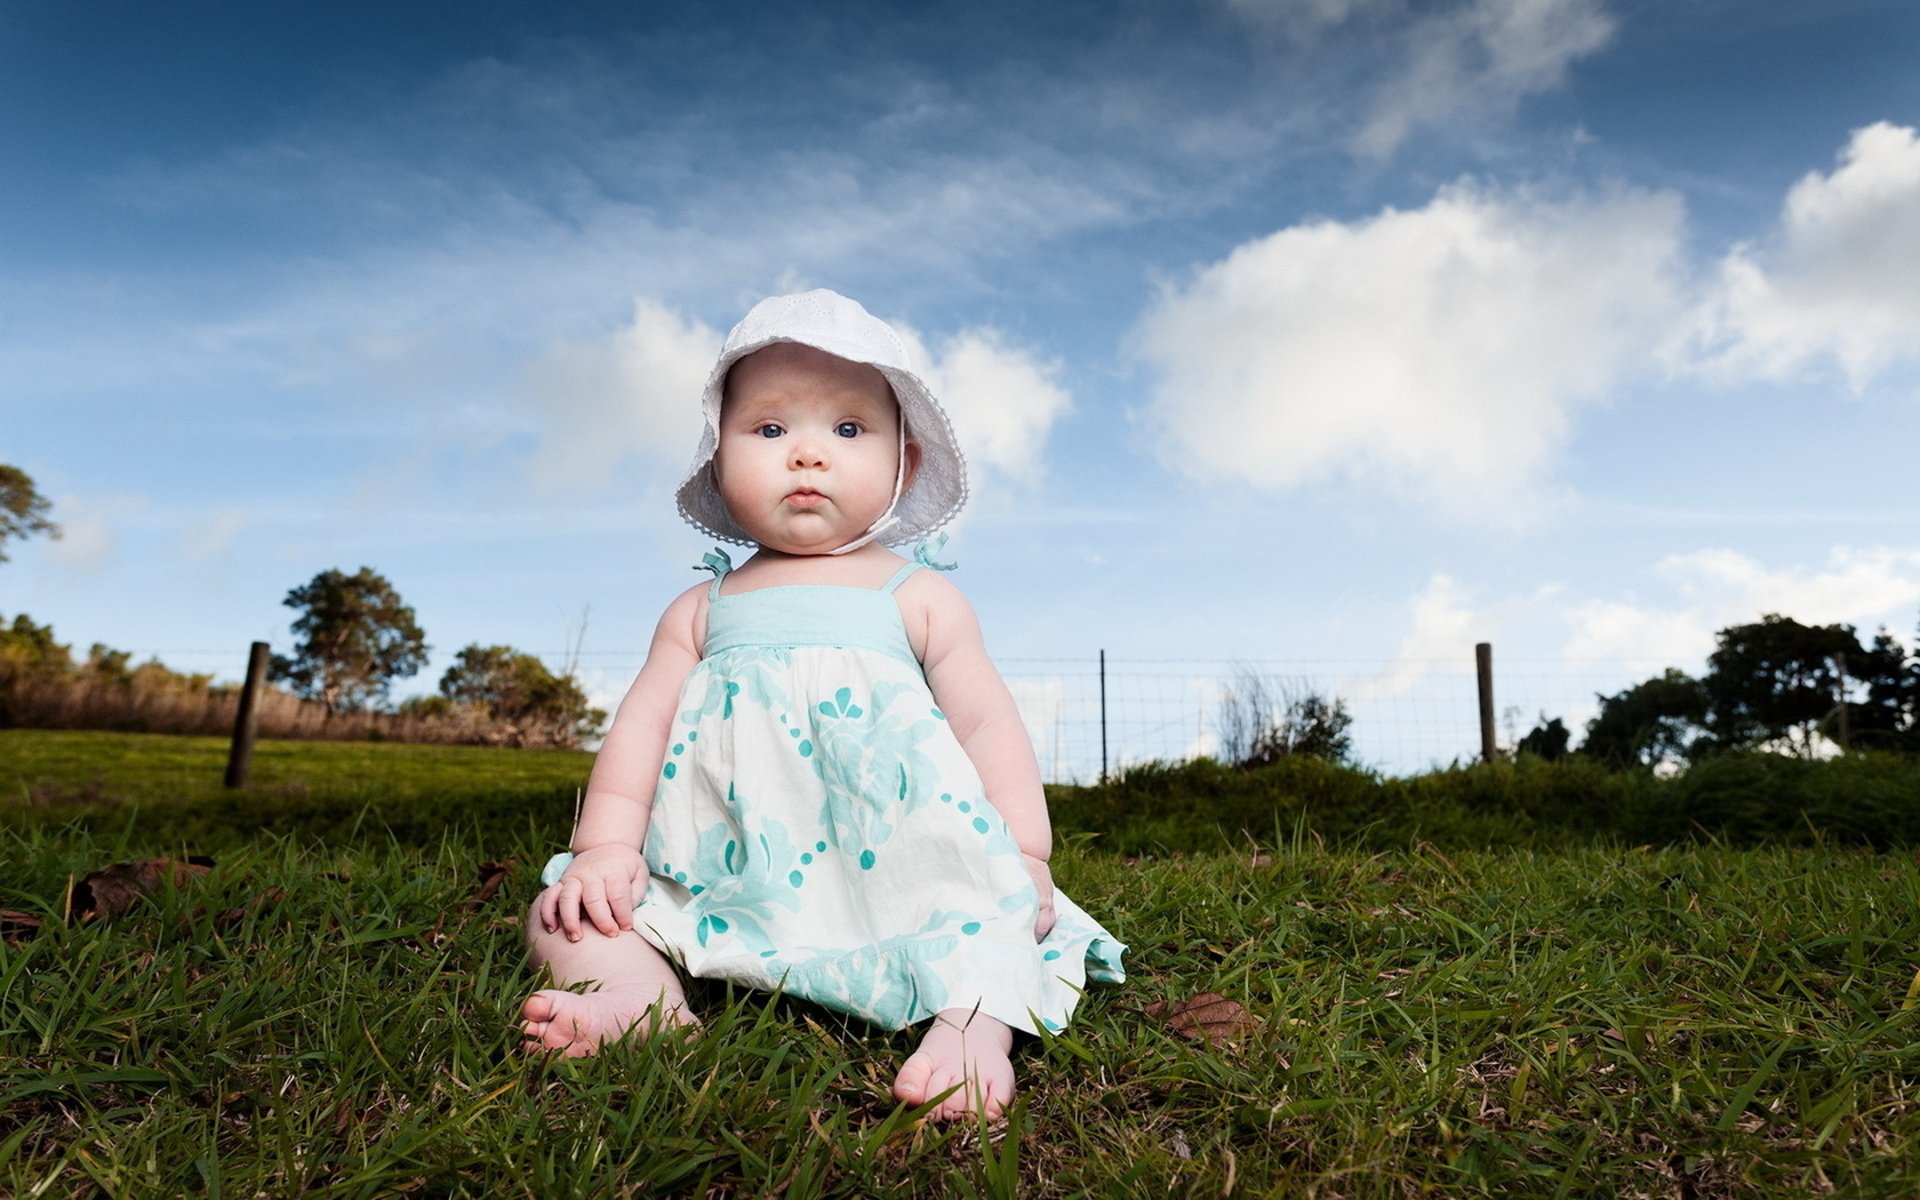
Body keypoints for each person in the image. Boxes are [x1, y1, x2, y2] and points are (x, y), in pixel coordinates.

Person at [519, 289, 1125, 1120]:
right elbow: (641, 729)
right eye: (770, 430)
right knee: (570, 913)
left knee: (995, 925)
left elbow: (988, 725)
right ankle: (640, 1002)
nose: (807, 455)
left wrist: (1022, 853)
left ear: (902, 465)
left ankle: (971, 1035)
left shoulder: (919, 598)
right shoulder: (701, 608)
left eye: (847, 429)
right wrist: (603, 848)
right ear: (718, 457)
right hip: (720, 870)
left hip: (902, 869)